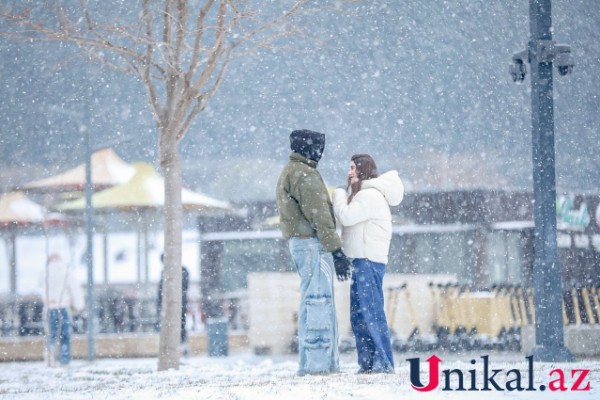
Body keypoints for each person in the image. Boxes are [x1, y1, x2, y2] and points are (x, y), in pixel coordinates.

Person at [276, 129, 353, 376]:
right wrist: (337, 251)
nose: (321, 153)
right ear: (307, 148)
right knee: (318, 302)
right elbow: (320, 216)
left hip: (301, 243)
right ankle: (318, 365)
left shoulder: (291, 171)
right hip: (312, 245)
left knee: (313, 299)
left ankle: (321, 363)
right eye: (318, 147)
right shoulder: (305, 175)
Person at [332, 154, 404, 374]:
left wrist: (338, 194)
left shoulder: (369, 195)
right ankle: (368, 363)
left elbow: (346, 217)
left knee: (370, 312)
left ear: (364, 170)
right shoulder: (363, 194)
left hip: (368, 261)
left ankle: (383, 363)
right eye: (349, 167)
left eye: (353, 168)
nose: (349, 172)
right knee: (359, 315)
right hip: (362, 260)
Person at [42, 253, 85, 366]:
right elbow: (75, 288)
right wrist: (79, 305)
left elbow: (41, 289)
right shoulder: (65, 271)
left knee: (51, 334)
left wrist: (48, 301)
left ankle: (50, 357)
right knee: (65, 335)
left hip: (51, 307)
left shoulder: (45, 272)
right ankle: (64, 359)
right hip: (64, 307)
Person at [157, 253, 190, 356]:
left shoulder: (180, 271)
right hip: (173, 304)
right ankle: (174, 349)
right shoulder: (166, 272)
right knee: (174, 325)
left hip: (178, 304)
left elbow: (183, 287)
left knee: (180, 325)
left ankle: (181, 348)